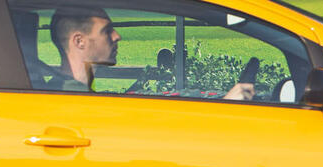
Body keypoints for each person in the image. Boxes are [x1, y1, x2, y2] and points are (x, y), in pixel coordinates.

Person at [47, 7, 253, 99]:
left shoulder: (73, 92)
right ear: (79, 41)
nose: (117, 36)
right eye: (107, 30)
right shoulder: (68, 98)